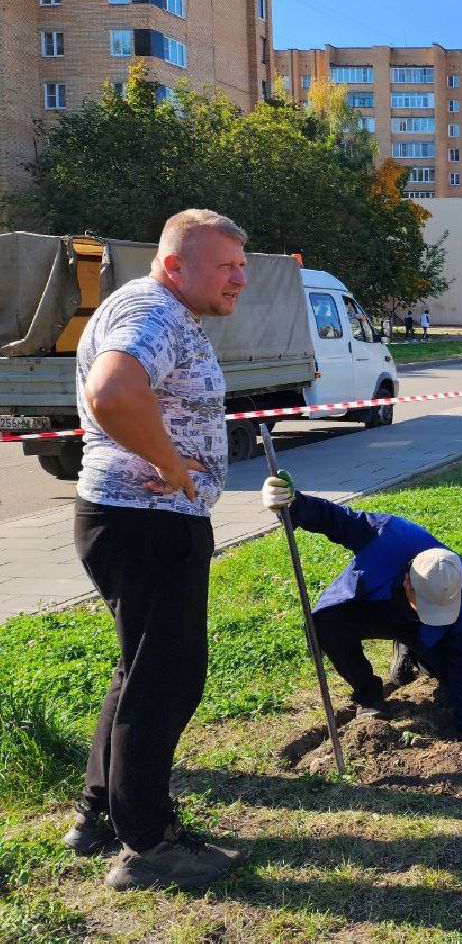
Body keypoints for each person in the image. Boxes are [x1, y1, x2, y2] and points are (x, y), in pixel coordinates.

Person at [66, 209, 248, 890]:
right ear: (175, 264)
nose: (239, 279)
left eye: (242, 266)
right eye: (225, 266)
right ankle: (148, 844)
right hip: (148, 521)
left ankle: (97, 815)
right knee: (166, 679)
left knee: (136, 673)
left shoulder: (157, 310)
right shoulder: (156, 312)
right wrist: (175, 470)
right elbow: (112, 392)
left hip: (137, 521)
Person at [260, 473, 462, 742]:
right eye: (424, 606)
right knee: (326, 624)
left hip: (429, 631)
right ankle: (368, 695)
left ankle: (414, 650)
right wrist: (293, 504)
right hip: (378, 604)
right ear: (408, 582)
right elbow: (335, 518)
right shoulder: (386, 535)